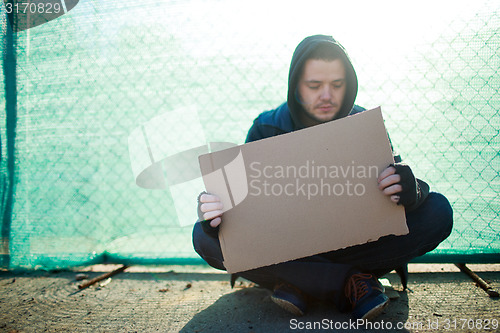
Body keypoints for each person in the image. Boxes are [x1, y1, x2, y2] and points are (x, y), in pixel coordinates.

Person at [192, 35, 453, 320]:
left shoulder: (363, 124)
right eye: (314, 85)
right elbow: (239, 213)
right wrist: (213, 214)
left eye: (337, 85)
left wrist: (411, 189)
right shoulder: (266, 128)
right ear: (296, 86)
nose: (327, 95)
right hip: (287, 246)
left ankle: (300, 282)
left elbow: (403, 195)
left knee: (438, 211)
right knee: (203, 236)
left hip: (353, 244)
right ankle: (350, 283)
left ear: (349, 85)